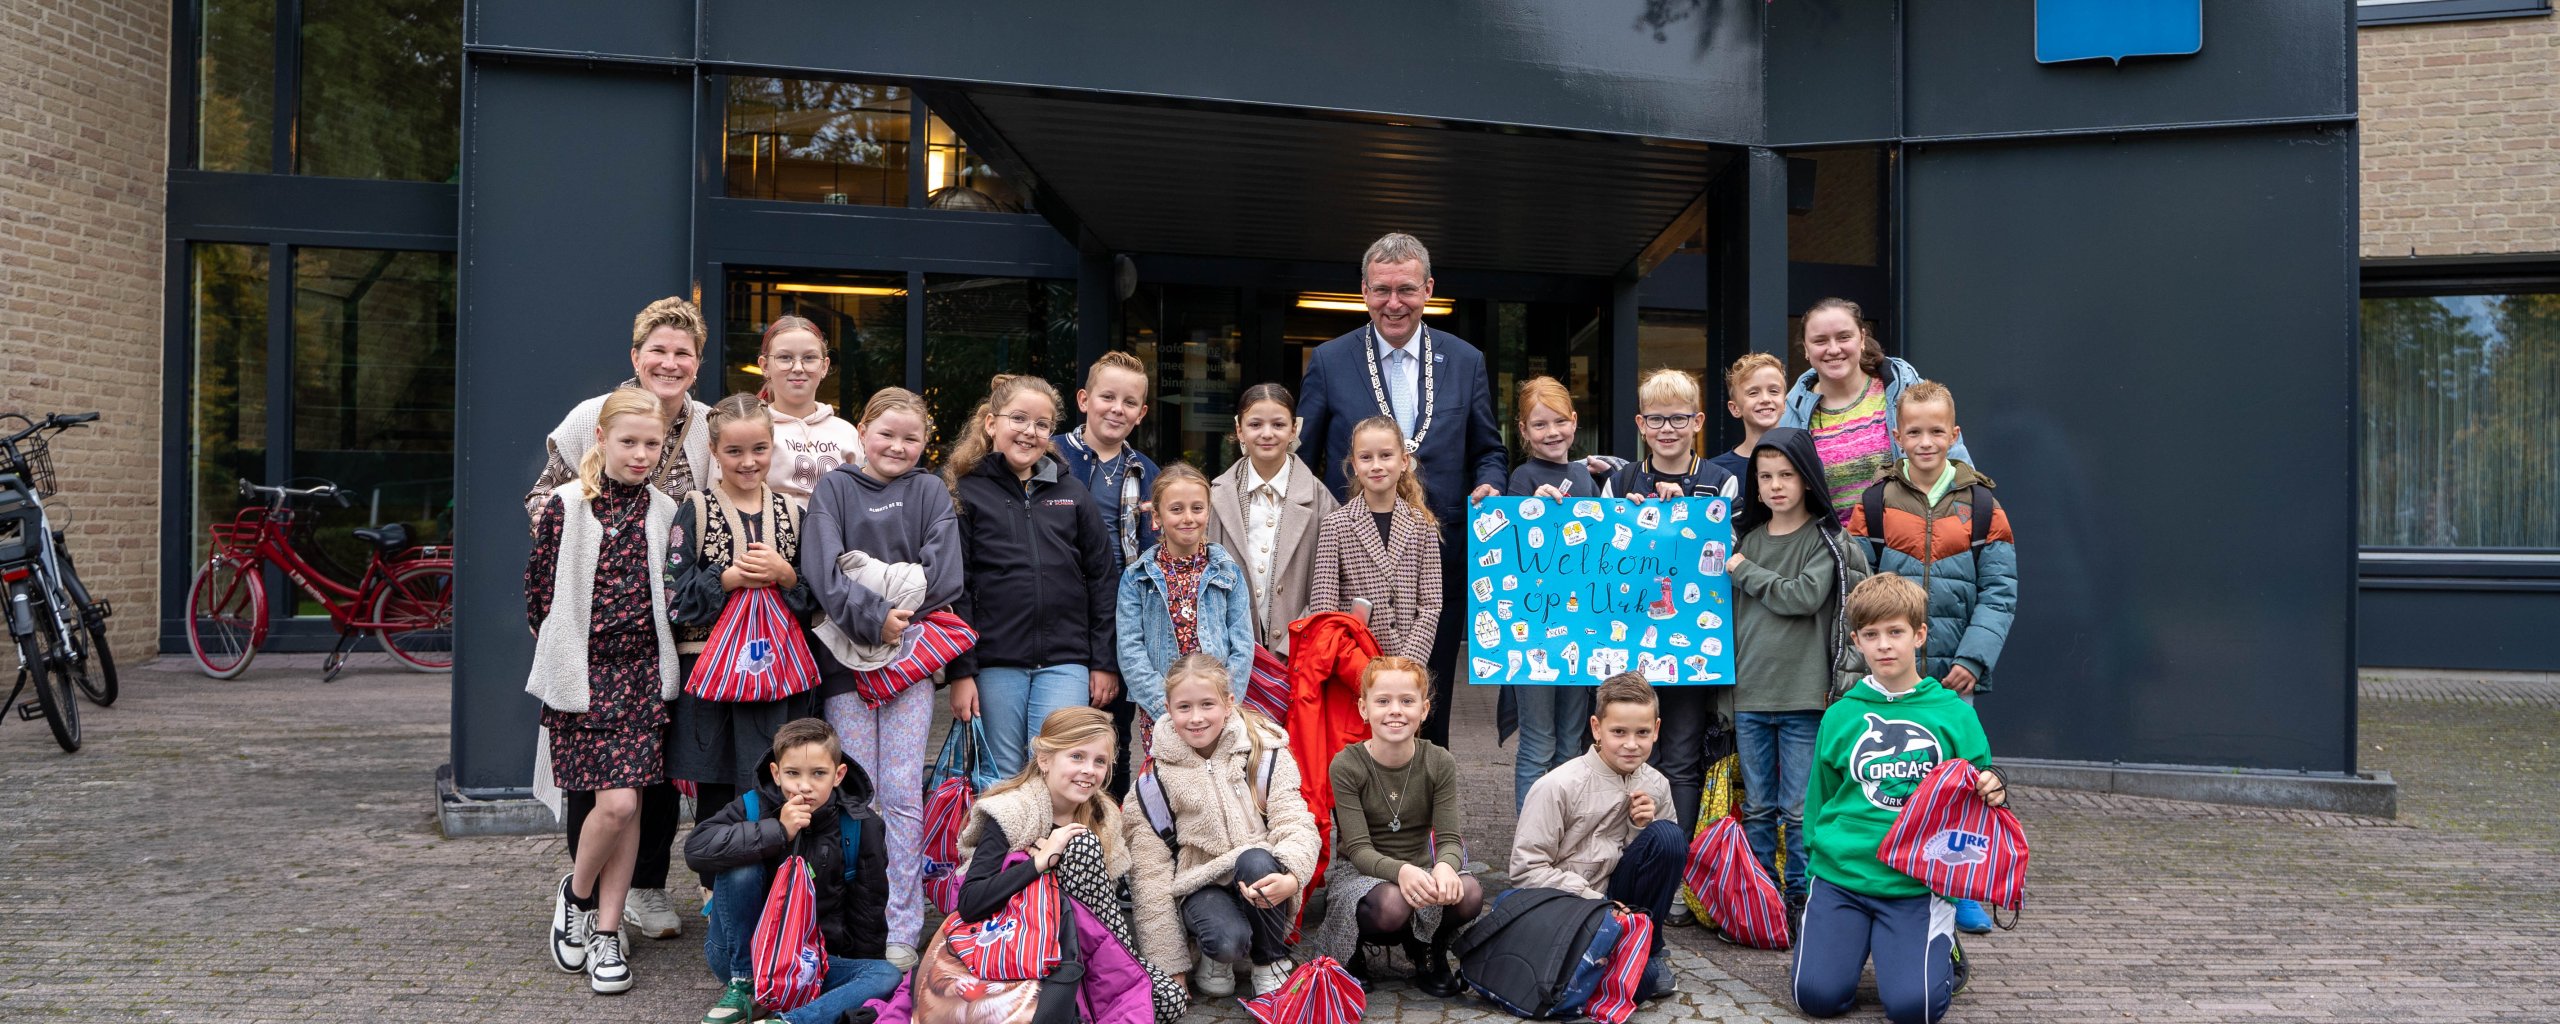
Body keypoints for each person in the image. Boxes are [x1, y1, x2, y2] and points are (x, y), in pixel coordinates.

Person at [525, 297, 713, 943]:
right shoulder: (591, 419)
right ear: (636, 357)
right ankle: (584, 895)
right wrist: (581, 551)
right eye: (657, 350)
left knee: (654, 777)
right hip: (591, 630)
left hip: (669, 636)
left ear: (697, 363)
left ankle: (642, 892)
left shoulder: (707, 427)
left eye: (683, 353)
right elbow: (544, 497)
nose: (669, 361)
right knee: (598, 784)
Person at [1297, 233, 1506, 746]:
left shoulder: (1465, 360)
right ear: (1364, 290)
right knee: (1359, 700)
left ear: (1429, 289)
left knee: (1428, 698)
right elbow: (1300, 461)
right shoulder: (1329, 361)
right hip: (1355, 559)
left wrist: (1488, 485)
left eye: (1407, 290)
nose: (1395, 303)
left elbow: (1489, 450)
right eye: (1382, 290)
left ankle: (1426, 817)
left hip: (1440, 556)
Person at [1793, 574, 2006, 1024]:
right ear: (1856, 641)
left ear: (1919, 634)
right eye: (1871, 635)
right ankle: (1851, 939)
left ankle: (1936, 942)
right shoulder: (1841, 715)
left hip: (1915, 883)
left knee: (1916, 1009)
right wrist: (1819, 858)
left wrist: (1995, 787)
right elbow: (1820, 800)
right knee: (1816, 998)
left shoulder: (1951, 713)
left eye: (1896, 632)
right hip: (1843, 878)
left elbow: (1982, 788)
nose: (1884, 645)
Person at [1843, 380, 2015, 935]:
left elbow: (1999, 592)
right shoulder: (1873, 502)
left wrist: (1975, 657)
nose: (1925, 441)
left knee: (1959, 779)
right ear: (1896, 436)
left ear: (1954, 434)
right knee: (1895, 774)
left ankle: (1958, 883)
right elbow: (1857, 587)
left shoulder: (1983, 505)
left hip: (1953, 671)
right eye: (1913, 431)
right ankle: (1893, 875)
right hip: (1891, 671)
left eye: (1936, 431)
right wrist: (1869, 658)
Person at [800, 386, 964, 969]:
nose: (898, 445)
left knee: (900, 794)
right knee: (854, 792)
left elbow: (945, 575)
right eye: (886, 433)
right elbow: (823, 568)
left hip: (910, 665)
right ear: (862, 432)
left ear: (927, 443)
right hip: (845, 665)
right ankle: (852, 919)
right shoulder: (836, 488)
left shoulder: (929, 492)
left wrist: (885, 598)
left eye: (912, 437)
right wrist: (876, 614)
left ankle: (903, 923)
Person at [527, 388, 681, 995]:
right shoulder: (566, 506)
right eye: (629, 442)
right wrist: (567, 654)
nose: (641, 454)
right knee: (610, 807)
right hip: (585, 678)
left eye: (651, 444)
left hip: (644, 677)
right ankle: (578, 893)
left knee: (630, 806)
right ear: (602, 440)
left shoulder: (667, 510)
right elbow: (538, 595)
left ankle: (606, 931)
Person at [943, 375, 1122, 787]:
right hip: (995, 662)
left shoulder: (1072, 493)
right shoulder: (964, 493)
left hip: (1066, 663)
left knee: (1059, 770)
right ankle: (1006, 854)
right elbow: (958, 588)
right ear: (991, 424)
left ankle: (1052, 853)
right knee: (1002, 776)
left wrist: (1103, 661)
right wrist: (962, 672)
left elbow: (1102, 579)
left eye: (1042, 424)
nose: (1030, 431)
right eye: (1019, 419)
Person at [957, 707, 1188, 1024]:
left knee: (1171, 1000)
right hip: (1021, 948)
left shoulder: (1102, 815)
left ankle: (1091, 997)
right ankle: (1078, 1002)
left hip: (1089, 948)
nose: (1089, 770)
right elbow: (970, 904)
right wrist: (1039, 862)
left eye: (1099, 761)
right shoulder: (1011, 811)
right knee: (1082, 846)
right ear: (1045, 760)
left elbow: (1105, 917)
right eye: (1077, 757)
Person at [1726, 425, 1871, 928]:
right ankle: (1761, 896)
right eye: (1765, 476)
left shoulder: (1824, 540)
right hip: (1749, 695)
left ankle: (1802, 901)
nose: (1775, 485)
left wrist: (1744, 570)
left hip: (1806, 697)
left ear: (1807, 479)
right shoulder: (1746, 537)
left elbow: (1803, 596)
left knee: (1798, 810)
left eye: (1786, 474)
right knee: (1759, 806)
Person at [664, 394, 817, 847]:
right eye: (734, 451)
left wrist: (786, 576)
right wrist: (725, 579)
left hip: (779, 676)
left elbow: (817, 601)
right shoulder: (695, 509)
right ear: (714, 451)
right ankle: (719, 885)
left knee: (779, 777)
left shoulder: (793, 514)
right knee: (717, 785)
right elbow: (673, 600)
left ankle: (775, 878)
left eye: (759, 449)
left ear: (773, 446)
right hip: (711, 675)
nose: (748, 462)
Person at [1124, 654, 1321, 999]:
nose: (1196, 718)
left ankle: (1268, 959)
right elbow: (1149, 877)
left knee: (1257, 859)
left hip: (1261, 871)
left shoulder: (1265, 751)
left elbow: (1296, 822)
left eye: (1207, 705)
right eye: (1184, 707)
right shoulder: (1153, 781)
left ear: (1229, 704)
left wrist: (1292, 876)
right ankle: (1218, 955)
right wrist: (1172, 969)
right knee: (1227, 940)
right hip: (1202, 882)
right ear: (1168, 708)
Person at [684, 718, 899, 1024]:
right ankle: (744, 987)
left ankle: (788, 1021)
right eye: (792, 773)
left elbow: (869, 909)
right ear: (776, 772)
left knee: (887, 975)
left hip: (806, 962)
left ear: (838, 775)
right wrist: (777, 831)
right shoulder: (753, 805)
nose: (804, 786)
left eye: (819, 774)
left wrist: (857, 986)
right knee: (739, 865)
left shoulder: (860, 824)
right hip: (738, 957)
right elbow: (696, 849)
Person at [1312, 656, 1482, 996]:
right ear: (1364, 708)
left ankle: (1425, 948)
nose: (1395, 710)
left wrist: (1447, 866)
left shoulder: (1438, 761)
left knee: (1470, 893)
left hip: (1422, 867)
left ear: (1424, 708)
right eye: (1383, 701)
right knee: (1393, 905)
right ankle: (1352, 950)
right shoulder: (1347, 764)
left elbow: (1449, 838)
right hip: (1363, 874)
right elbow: (1358, 849)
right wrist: (1402, 871)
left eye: (1407, 701)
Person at [1509, 672, 1684, 999]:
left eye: (1642, 733)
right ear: (1596, 728)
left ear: (1656, 731)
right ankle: (1619, 955)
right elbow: (1526, 871)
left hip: (1620, 900)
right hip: (1571, 902)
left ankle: (1649, 945)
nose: (1631, 744)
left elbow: (1664, 865)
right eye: (1619, 732)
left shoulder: (1657, 784)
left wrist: (1642, 827)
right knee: (1640, 984)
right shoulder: (1559, 785)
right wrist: (1599, 904)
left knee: (1668, 836)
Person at [1779, 298, 1973, 522]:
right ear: (1806, 348)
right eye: (1820, 341)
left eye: (1844, 337)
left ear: (1862, 338)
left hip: (1911, 546)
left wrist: (1963, 525)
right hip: (1832, 552)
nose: (1833, 349)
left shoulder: (1903, 389)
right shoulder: (1792, 413)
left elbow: (1957, 466)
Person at [1503, 376, 1600, 810]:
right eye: (1539, 425)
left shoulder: (1586, 476)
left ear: (1574, 422)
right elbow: (1508, 548)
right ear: (1523, 431)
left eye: (1560, 422)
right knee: (1538, 743)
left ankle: (1564, 837)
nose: (1552, 433)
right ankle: (1529, 843)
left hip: (1581, 630)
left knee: (1571, 745)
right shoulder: (1522, 478)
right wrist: (1529, 510)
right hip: (1534, 633)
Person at [1207, 383, 1339, 657]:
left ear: (1294, 429)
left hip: (1300, 653)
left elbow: (1332, 584)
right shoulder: (1215, 496)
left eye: (1278, 425)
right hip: (1230, 651)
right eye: (1255, 424)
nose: (1267, 434)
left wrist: (1296, 644)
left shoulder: (1321, 500)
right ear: (1239, 430)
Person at [1118, 465, 1255, 725]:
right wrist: (1166, 708)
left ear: (1208, 512)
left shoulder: (1228, 572)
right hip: (1163, 712)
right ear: (1156, 517)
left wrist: (1223, 703)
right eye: (1176, 509)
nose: (1188, 518)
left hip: (1218, 711)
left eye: (1197, 508)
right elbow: (1130, 650)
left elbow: (1243, 645)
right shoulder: (1137, 577)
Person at [1307, 416, 1442, 664]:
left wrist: (1407, 663)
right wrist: (1353, 660)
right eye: (1366, 457)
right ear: (1355, 465)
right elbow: (1324, 609)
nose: (1376, 465)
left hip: (1407, 666)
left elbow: (1431, 605)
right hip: (1355, 663)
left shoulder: (1423, 526)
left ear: (1404, 462)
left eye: (1386, 456)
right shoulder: (1335, 525)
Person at [1052, 350, 1162, 566]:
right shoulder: (1049, 454)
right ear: (1084, 400)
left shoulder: (1149, 473)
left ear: (1141, 413)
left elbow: (1155, 545)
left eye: (1130, 403)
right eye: (1108, 397)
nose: (1117, 409)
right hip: (1063, 591)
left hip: (1126, 595)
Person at [756, 315, 866, 499]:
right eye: (785, 357)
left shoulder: (847, 433)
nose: (798, 367)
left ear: (824, 366)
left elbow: (861, 500)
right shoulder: (750, 428)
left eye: (809, 358)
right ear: (765, 366)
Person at [1709, 353, 1787, 487]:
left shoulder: (1803, 461)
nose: (1765, 399)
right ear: (1734, 408)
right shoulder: (1715, 471)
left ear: (1785, 403)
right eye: (1753, 393)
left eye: (1773, 391)